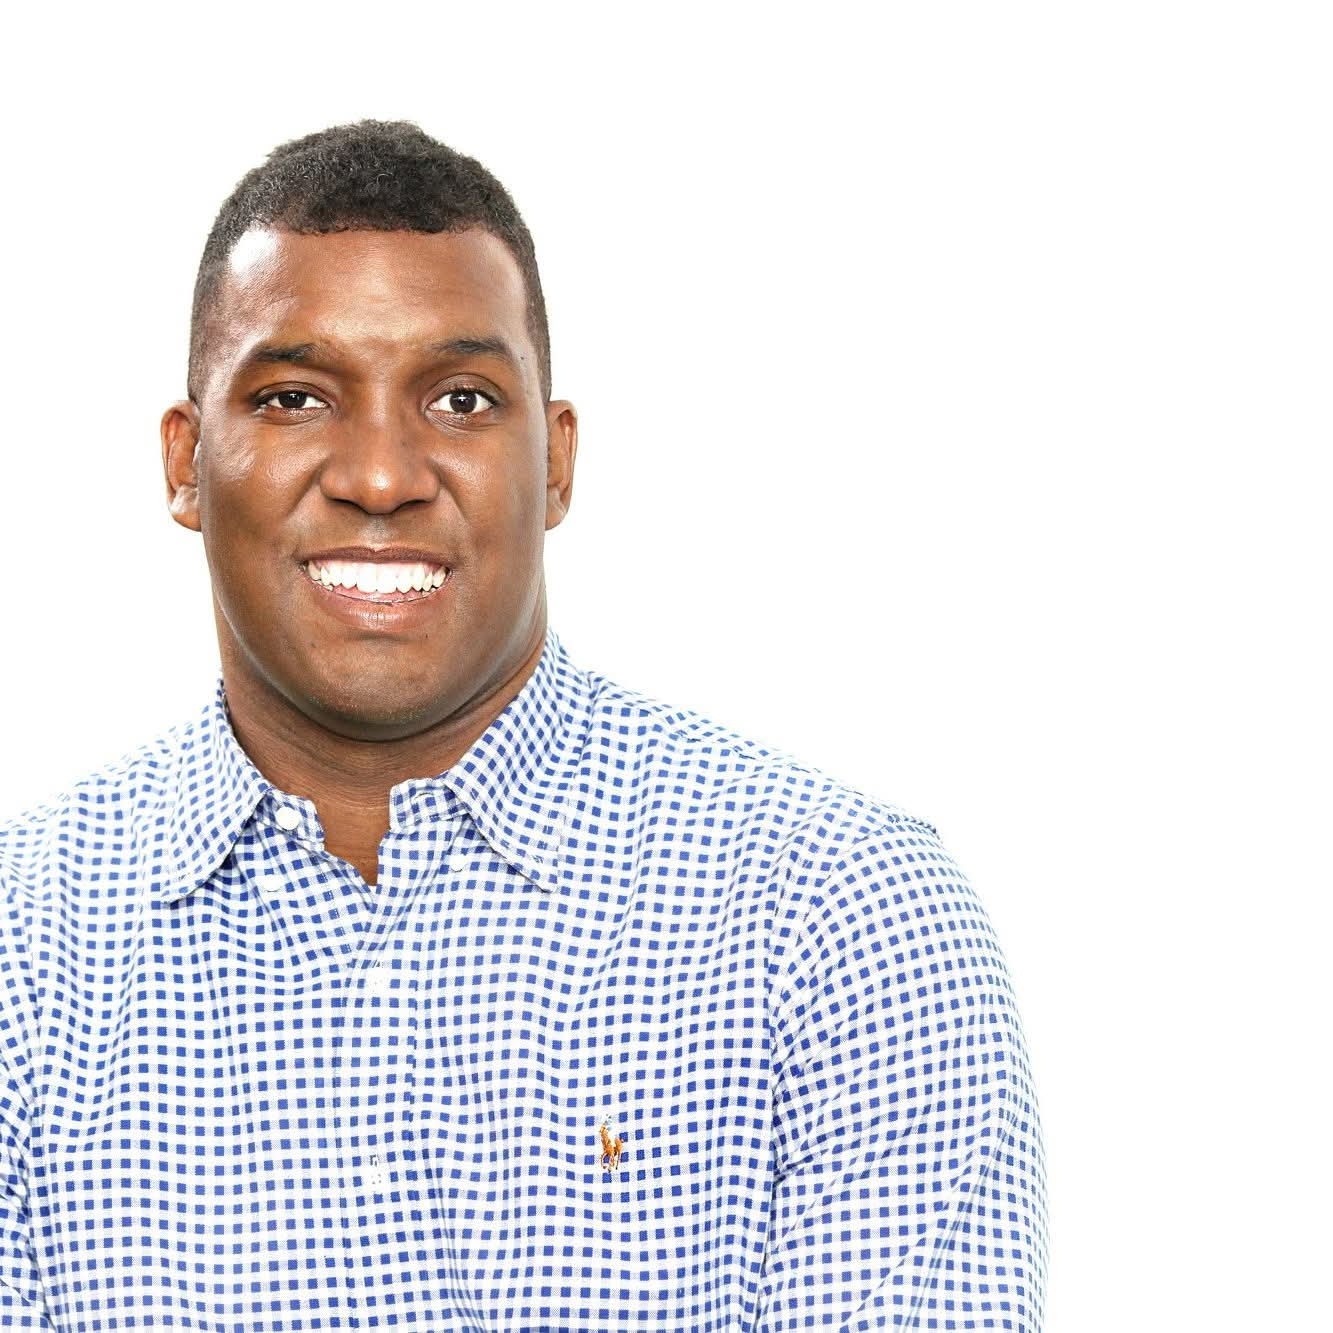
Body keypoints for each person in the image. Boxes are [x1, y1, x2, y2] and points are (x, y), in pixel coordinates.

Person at [0, 121, 1045, 1332]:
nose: (380, 476)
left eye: (460, 399)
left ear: (554, 463)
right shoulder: (23, 952)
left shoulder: (842, 918)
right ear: (188, 463)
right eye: (294, 397)